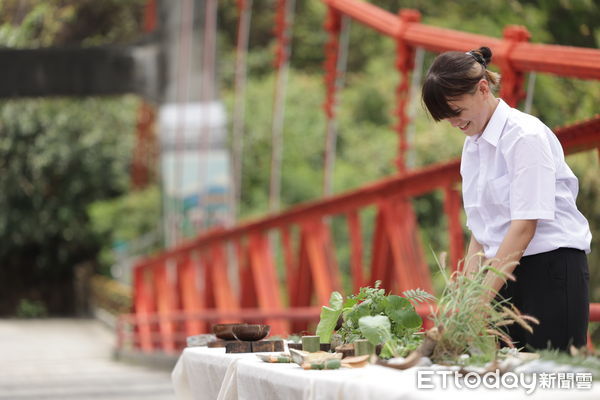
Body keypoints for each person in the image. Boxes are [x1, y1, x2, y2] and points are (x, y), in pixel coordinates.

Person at [421, 46, 592, 351]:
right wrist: (466, 300)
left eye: (456, 112)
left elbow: (525, 226)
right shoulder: (472, 146)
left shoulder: (524, 136)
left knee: (554, 384)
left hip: (550, 270)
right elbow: (481, 233)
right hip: (502, 272)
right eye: (446, 118)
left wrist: (481, 298)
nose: (454, 124)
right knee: (508, 385)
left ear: (483, 89)